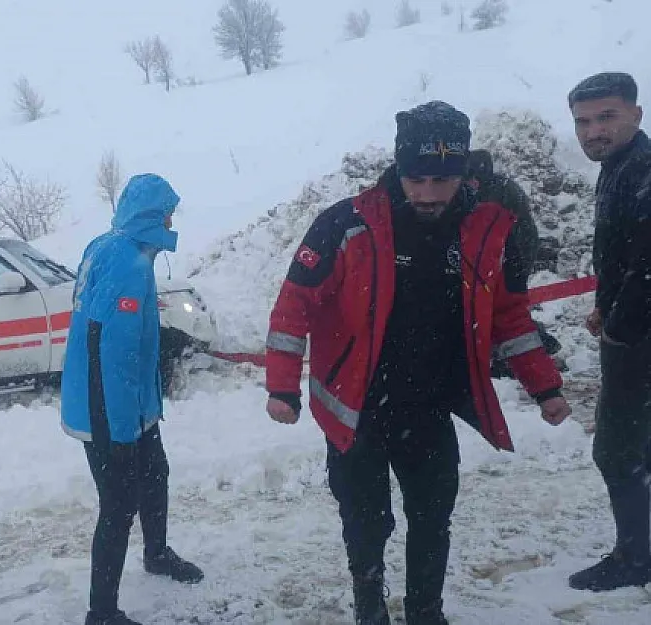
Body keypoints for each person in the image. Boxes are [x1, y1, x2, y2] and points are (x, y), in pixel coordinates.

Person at [264, 101, 572, 625]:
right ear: (398, 168)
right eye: (417, 178)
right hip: (354, 408)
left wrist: (546, 388)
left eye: (443, 180)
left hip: (430, 405)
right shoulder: (346, 224)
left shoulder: (491, 230)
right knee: (366, 521)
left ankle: (426, 612)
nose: (428, 193)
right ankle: (369, 609)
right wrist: (282, 388)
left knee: (433, 519)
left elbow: (511, 318)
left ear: (465, 173)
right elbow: (294, 305)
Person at [60, 173, 204, 625]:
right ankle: (101, 612)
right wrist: (119, 430)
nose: (172, 220)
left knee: (155, 474)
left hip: (127, 403)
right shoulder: (129, 261)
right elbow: (111, 349)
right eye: (168, 213)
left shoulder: (111, 245)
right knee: (118, 505)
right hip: (108, 409)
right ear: (153, 216)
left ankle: (157, 553)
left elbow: (113, 328)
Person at [565, 71, 651, 592]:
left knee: (617, 451)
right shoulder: (621, 166)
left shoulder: (643, 171)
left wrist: (619, 327)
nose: (593, 131)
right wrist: (606, 305)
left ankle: (635, 558)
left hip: (639, 342)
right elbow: (622, 256)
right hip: (631, 329)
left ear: (636, 115)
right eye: (582, 121)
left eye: (606, 116)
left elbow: (648, 266)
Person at [466, 150, 563, 377]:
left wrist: (510, 264)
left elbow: (514, 230)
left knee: (505, 309)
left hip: (511, 256)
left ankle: (524, 353)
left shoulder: (499, 190)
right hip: (503, 256)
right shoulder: (490, 187)